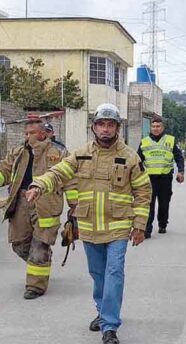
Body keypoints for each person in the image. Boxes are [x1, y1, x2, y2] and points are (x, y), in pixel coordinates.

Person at [26, 103, 152, 344]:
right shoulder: (81, 153)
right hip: (89, 227)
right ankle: (103, 310)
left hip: (118, 227)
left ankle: (109, 327)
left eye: (110, 124)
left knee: (114, 273)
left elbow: (144, 191)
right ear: (94, 127)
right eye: (101, 124)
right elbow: (59, 172)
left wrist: (140, 225)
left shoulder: (129, 157)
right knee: (97, 274)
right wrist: (39, 185)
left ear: (117, 128)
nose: (106, 129)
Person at [0, 119, 77, 299]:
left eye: (31, 133)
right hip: (20, 203)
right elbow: (4, 170)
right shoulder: (18, 152)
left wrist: (74, 207)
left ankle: (35, 286)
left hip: (46, 204)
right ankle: (41, 262)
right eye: (26, 133)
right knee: (19, 244)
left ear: (43, 134)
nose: (27, 137)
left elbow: (71, 181)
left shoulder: (58, 153)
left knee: (40, 244)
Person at [137, 115, 184, 238]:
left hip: (165, 178)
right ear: (150, 128)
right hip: (149, 179)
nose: (155, 128)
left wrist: (181, 171)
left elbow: (179, 157)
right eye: (153, 126)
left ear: (163, 127)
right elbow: (138, 160)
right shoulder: (144, 142)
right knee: (148, 204)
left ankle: (162, 224)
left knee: (164, 204)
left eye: (158, 126)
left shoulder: (170, 140)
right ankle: (147, 230)